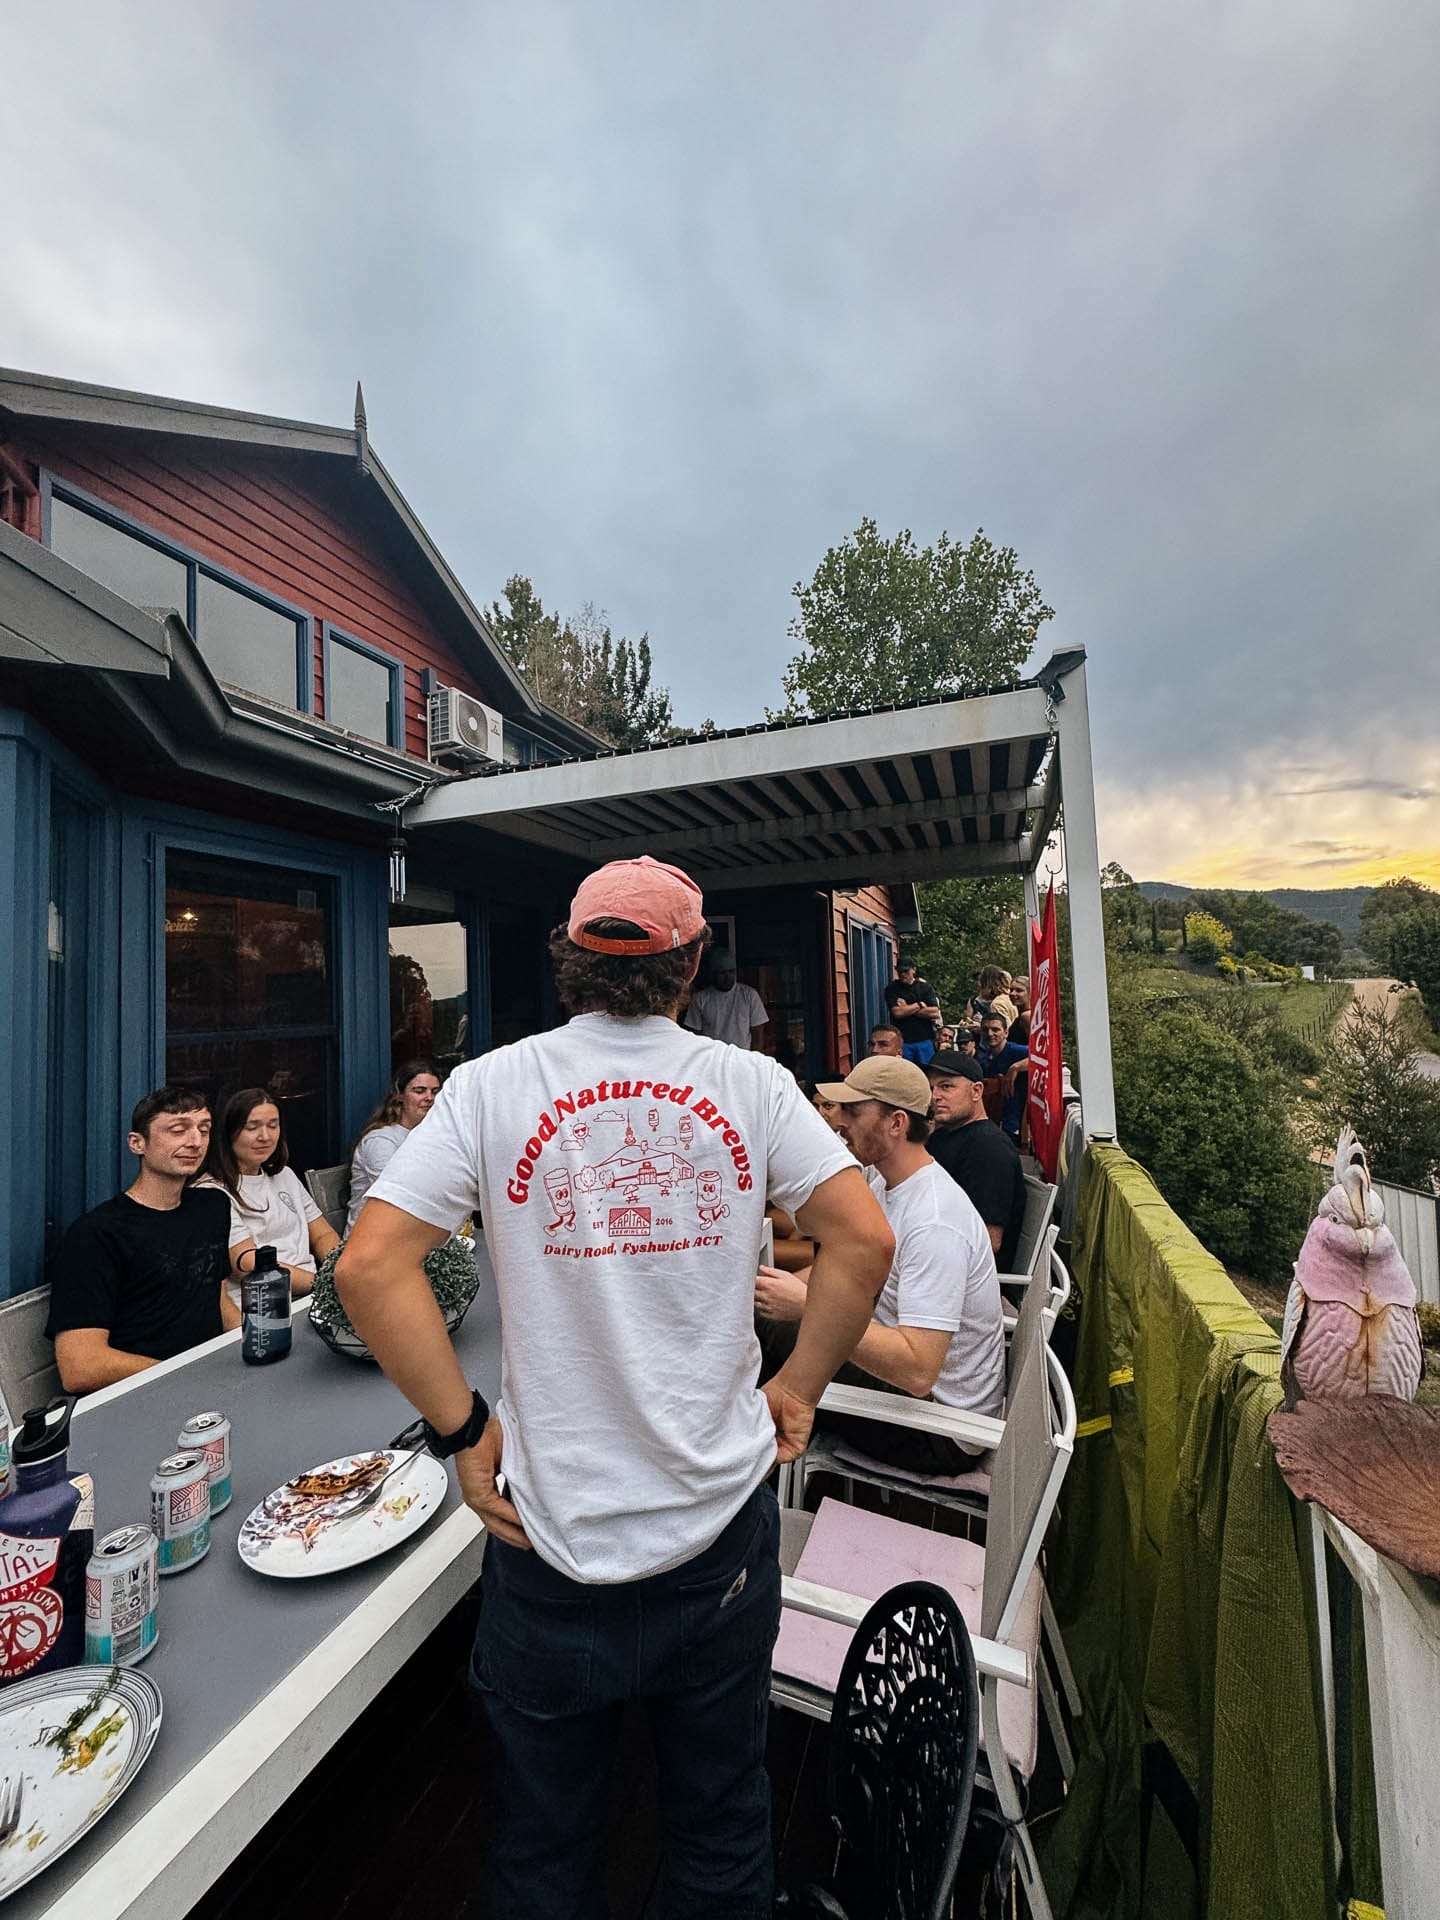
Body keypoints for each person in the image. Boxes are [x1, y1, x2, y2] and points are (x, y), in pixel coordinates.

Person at [336, 855, 892, 1920]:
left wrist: (463, 1430)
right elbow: (862, 1240)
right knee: (723, 1825)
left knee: (543, 1846)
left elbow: (367, 1268)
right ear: (688, 970)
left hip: (552, 1542)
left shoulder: (492, 1085)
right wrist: (800, 1390)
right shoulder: (752, 1085)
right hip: (718, 1536)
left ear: (569, 965)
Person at [755, 1056, 1005, 1474]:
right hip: (915, 1400)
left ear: (896, 1123)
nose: (838, 1120)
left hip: (939, 1429)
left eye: (853, 1110)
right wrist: (769, 1290)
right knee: (758, 1318)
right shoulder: (885, 1183)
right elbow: (841, 1266)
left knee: (766, 1340)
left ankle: (737, 1482)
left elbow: (918, 1370)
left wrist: (806, 1306)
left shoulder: (935, 1223)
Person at [46, 1086, 234, 1393]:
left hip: (216, 1383)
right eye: (178, 1130)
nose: (195, 1142)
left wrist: (251, 1342)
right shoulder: (96, 1234)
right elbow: (81, 1366)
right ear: (137, 1143)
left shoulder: (212, 1206)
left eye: (204, 1129)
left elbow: (215, 1295)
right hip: (140, 1395)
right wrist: (187, 1378)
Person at [197, 1088, 339, 1305]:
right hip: (263, 1306)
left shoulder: (285, 1175)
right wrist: (324, 1285)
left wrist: (337, 1272)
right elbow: (246, 1265)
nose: (265, 1136)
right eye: (251, 1127)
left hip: (313, 1295)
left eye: (273, 1126)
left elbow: (322, 1234)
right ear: (228, 1132)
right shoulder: (212, 1191)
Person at [925, 1051, 1027, 1271]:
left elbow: (989, 1241)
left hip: (965, 1279)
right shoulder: (944, 1135)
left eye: (946, 1086)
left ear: (976, 1091)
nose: (935, 1096)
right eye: (931, 1087)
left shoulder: (988, 1148)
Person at [346, 1059, 442, 1233]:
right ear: (399, 1094)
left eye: (435, 1092)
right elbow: (397, 1197)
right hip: (373, 1239)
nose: (429, 1098)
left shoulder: (434, 1136)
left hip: (417, 1233)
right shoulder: (381, 1140)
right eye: (419, 1091)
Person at [683, 947, 768, 1049]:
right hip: (712, 1059)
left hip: (741, 1057)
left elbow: (758, 1032)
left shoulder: (749, 995)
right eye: (722, 973)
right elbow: (694, 1034)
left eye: (731, 972)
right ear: (713, 974)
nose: (727, 977)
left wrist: (755, 1059)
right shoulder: (700, 999)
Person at [976, 1012, 1029, 1139]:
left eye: (995, 1029)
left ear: (1006, 1033)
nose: (990, 1034)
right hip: (995, 1119)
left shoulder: (1017, 1051)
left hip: (1019, 1121)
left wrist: (1016, 1067)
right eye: (985, 1030)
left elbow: (1047, 1058)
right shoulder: (982, 1058)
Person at [882, 956, 942, 1066]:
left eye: (906, 971)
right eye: (900, 971)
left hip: (924, 1040)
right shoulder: (892, 988)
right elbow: (898, 1013)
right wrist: (919, 1005)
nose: (902, 974)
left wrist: (907, 1008)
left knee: (927, 1071)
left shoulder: (925, 988)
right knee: (904, 1072)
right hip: (903, 1041)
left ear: (913, 970)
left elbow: (935, 1012)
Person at [963, 965, 1019, 1035]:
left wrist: (981, 1028)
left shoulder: (997, 1004)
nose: (979, 985)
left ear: (987, 983)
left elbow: (1005, 1031)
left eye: (981, 981)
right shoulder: (1010, 998)